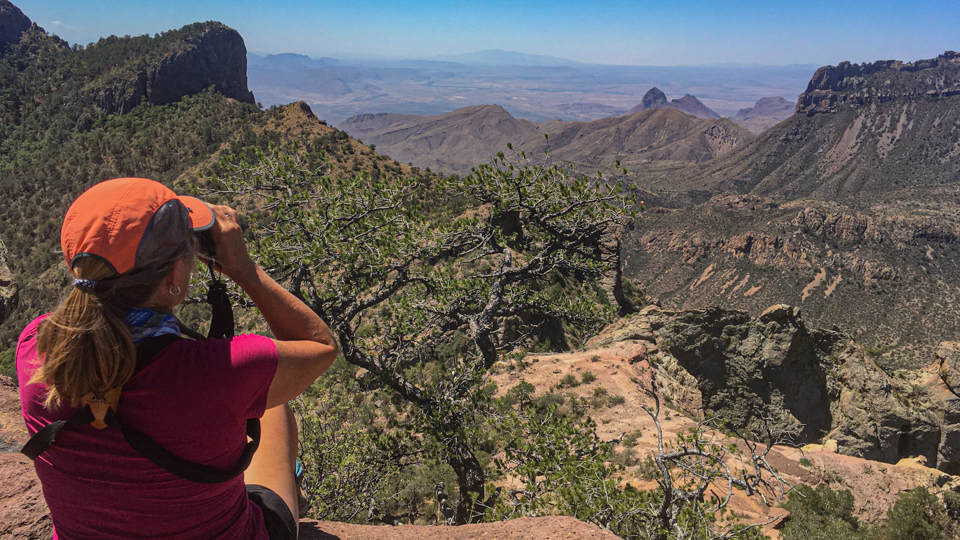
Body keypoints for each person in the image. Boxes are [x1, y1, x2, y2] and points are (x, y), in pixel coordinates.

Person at [16, 177, 339, 540]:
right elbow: (321, 346)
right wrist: (243, 269)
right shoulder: (225, 371)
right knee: (270, 407)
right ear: (173, 277)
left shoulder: (35, 345)